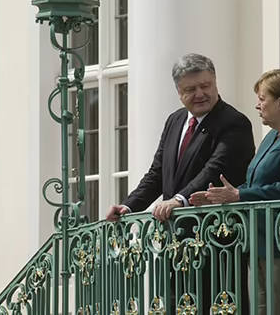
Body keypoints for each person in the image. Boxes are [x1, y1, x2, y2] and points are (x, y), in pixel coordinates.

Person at [106, 53, 255, 314]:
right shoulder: (175, 121)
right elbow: (157, 173)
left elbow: (214, 170)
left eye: (205, 85)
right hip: (175, 242)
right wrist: (128, 206)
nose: (200, 94)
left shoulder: (234, 122)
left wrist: (178, 200)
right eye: (190, 89)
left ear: (215, 83)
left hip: (217, 240)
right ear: (179, 92)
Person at [190, 68, 280, 315]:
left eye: (262, 99)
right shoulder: (272, 136)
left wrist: (239, 196)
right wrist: (219, 196)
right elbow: (255, 184)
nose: (257, 105)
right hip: (262, 240)